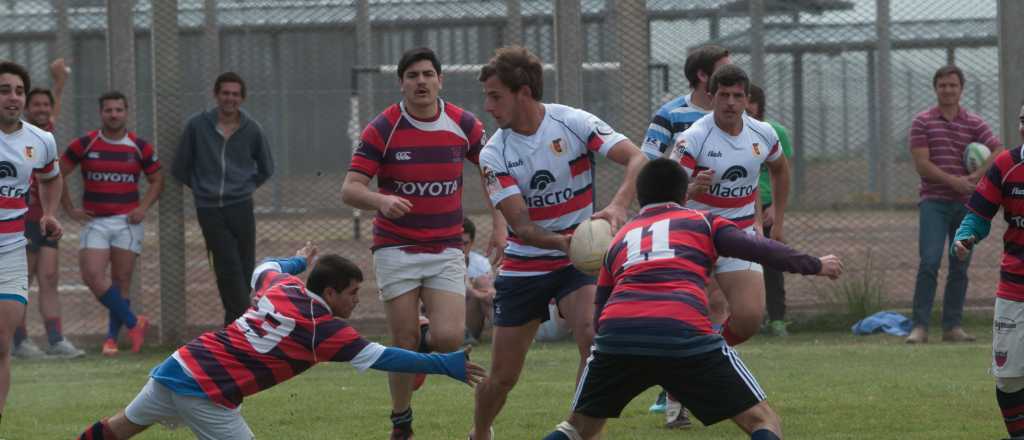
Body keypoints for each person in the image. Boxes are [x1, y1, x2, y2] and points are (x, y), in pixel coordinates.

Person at [541, 158, 842, 440]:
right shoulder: (704, 222)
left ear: (640, 199)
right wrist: (815, 264)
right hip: (683, 333)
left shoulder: (619, 239)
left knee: (577, 429)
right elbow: (761, 249)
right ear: (684, 195)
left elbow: (600, 309)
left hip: (618, 338)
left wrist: (611, 348)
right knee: (762, 421)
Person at [75, 243, 487, 440]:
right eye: (352, 293)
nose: (358, 300)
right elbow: (386, 357)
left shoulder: (282, 286)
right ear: (330, 293)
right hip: (207, 389)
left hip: (180, 364)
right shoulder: (321, 331)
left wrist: (298, 261)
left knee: (120, 427)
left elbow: (266, 266)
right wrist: (443, 364)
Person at [471, 45, 646, 440]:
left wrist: (617, 208)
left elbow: (637, 159)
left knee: (592, 336)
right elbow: (522, 226)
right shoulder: (494, 153)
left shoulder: (574, 123)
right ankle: (480, 431)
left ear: (524, 93)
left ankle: (581, 431)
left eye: (495, 96)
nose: (488, 106)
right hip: (526, 263)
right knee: (502, 378)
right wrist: (567, 242)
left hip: (577, 264)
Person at [340, 47, 492, 440]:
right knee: (403, 340)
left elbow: (495, 171)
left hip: (445, 247)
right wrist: (381, 200)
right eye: (412, 75)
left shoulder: (464, 123)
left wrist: (504, 224)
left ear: (440, 80)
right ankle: (402, 421)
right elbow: (350, 189)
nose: (421, 81)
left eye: (427, 74)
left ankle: (417, 359)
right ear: (401, 83)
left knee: (448, 340)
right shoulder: (383, 127)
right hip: (396, 247)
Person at [642, 44, 731, 424]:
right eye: (723, 70)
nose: (732, 76)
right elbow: (648, 166)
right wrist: (685, 186)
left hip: (728, 225)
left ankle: (685, 382)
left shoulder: (733, 114)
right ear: (702, 76)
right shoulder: (671, 115)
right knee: (694, 305)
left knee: (724, 308)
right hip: (682, 226)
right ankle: (683, 387)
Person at [60, 91, 162, 356]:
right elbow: (56, 172)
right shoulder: (85, 144)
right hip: (96, 221)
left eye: (119, 110)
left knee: (121, 280)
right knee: (92, 275)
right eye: (109, 110)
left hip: (127, 222)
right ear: (101, 113)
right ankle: (133, 322)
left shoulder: (140, 146)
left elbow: (157, 180)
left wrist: (143, 207)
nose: (114, 114)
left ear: (126, 112)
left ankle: (111, 341)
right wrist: (69, 208)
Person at [906, 65, 1003, 344]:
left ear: (961, 89)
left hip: (966, 206)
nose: (948, 90)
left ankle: (952, 327)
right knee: (929, 262)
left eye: (953, 85)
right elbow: (922, 165)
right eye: (943, 85)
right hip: (933, 203)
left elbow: (998, 150)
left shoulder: (973, 122)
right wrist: (954, 182)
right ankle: (920, 326)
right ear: (935, 88)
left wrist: (974, 177)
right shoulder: (922, 122)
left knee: (959, 264)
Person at [171, 72, 274, 326]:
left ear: (242, 98)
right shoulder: (197, 126)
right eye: (225, 93)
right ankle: (246, 322)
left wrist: (244, 187)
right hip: (210, 209)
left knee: (245, 267)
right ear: (216, 95)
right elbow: (180, 167)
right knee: (227, 267)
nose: (230, 99)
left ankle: (233, 328)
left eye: (235, 94)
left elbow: (266, 167)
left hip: (240, 206)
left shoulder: (252, 129)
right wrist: (202, 188)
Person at [952, 103, 1024, 440]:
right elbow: (979, 215)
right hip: (1015, 288)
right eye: (1023, 119)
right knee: (1008, 379)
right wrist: (965, 236)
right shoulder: (1005, 166)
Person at [0, 60, 64, 424]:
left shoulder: (40, 140)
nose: (13, 97)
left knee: (1, 342)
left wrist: (50, 213)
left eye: (19, 91)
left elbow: (51, 178)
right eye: (5, 90)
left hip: (10, 251)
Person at [12, 58, 83, 359]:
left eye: (45, 105)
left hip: (46, 220)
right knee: (21, 281)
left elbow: (54, 104)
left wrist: (60, 82)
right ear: (26, 108)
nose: (42, 109)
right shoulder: (15, 134)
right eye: (36, 105)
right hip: (21, 220)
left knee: (50, 278)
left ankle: (56, 339)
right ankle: (19, 340)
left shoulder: (46, 136)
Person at [747, 84, 794, 337]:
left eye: (752, 102)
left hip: (768, 205)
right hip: (741, 204)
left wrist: (775, 208)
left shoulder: (775, 132)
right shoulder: (733, 134)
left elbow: (783, 172)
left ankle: (777, 319)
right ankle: (743, 319)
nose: (747, 107)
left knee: (772, 260)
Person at [463, 217, 495, 344]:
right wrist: (474, 292)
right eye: (456, 242)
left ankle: (509, 332)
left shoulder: (480, 262)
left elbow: (490, 294)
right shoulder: (441, 262)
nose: (460, 248)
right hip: (446, 321)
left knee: (482, 282)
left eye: (465, 243)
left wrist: (481, 293)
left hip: (471, 322)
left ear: (471, 243)